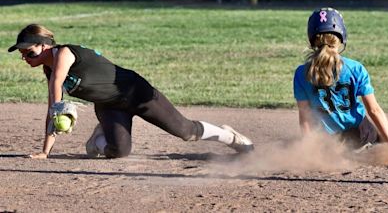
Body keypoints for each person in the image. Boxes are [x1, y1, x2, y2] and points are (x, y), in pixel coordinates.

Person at [8, 24, 254, 159]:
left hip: (136, 92)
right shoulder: (49, 70)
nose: (25, 57)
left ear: (45, 45)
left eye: (29, 52)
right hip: (109, 106)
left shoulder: (63, 54)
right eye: (22, 54)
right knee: (119, 152)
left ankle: (231, 137)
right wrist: (45, 151)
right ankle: (99, 137)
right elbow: (54, 108)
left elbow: (56, 102)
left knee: (186, 131)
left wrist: (51, 133)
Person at [293, 7, 388, 153]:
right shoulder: (355, 68)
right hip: (359, 136)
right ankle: (374, 146)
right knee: (383, 129)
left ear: (311, 38)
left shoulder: (301, 73)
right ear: (341, 37)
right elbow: (374, 110)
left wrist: (309, 151)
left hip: (329, 144)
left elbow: (305, 118)